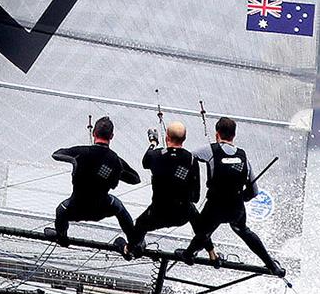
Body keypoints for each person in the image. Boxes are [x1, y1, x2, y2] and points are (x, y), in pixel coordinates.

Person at [180, 115, 285, 276]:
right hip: (236, 207)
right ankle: (272, 265)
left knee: (203, 231)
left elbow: (188, 156)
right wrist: (241, 197)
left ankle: (189, 255)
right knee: (244, 231)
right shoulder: (243, 156)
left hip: (215, 206)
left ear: (217, 134)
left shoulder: (211, 150)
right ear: (234, 135)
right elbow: (254, 191)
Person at [126, 120, 216, 260]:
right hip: (181, 215)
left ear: (167, 137)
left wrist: (153, 143)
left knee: (139, 224)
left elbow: (145, 162)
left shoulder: (155, 155)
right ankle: (211, 253)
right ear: (184, 139)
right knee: (196, 218)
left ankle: (131, 248)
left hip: (158, 213)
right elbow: (195, 197)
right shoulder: (191, 159)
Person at [46, 115, 139, 246]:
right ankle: (135, 242)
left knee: (60, 210)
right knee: (119, 207)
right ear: (111, 136)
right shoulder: (116, 160)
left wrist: (73, 159)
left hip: (76, 207)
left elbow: (56, 154)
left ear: (94, 133)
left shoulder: (81, 152)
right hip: (101, 208)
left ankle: (62, 237)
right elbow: (135, 179)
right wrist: (117, 172)